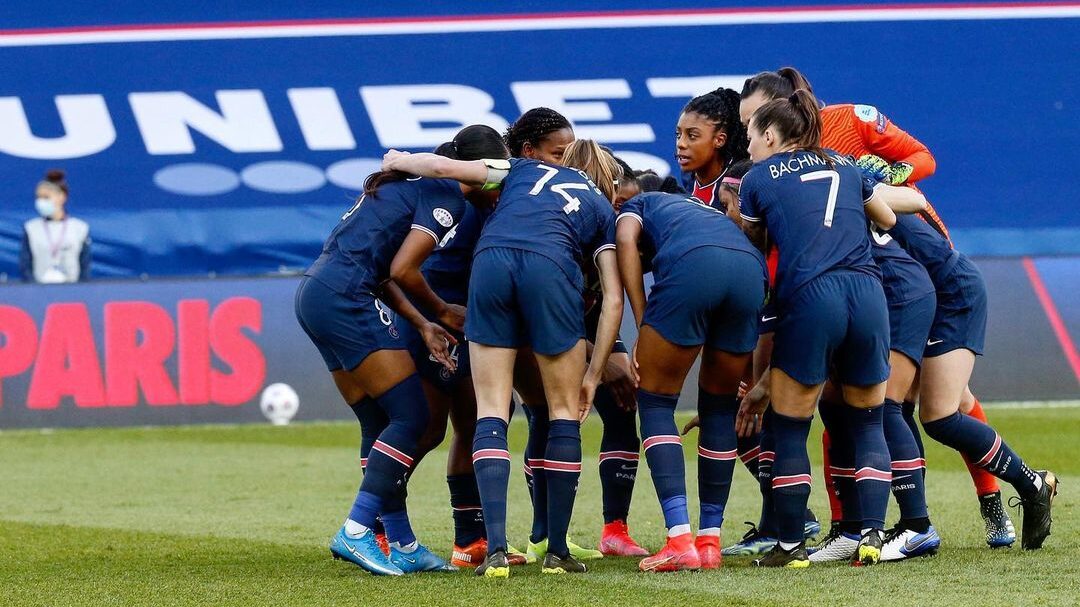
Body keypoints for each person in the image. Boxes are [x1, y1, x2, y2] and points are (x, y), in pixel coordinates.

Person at [738, 66, 1017, 549]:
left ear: (780, 117)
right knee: (859, 411)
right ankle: (856, 530)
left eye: (753, 124)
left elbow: (919, 165)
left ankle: (973, 510)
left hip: (925, 279)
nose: (748, 137)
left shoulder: (845, 129)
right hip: (874, 288)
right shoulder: (816, 170)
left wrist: (879, 179)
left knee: (932, 409)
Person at [381, 138, 624, 577]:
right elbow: (612, 300)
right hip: (551, 267)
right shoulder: (602, 209)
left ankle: (493, 550)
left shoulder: (520, 169)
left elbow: (441, 168)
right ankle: (556, 553)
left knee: (491, 411)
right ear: (605, 177)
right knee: (563, 412)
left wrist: (399, 160)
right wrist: (592, 372)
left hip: (490, 263)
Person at [295, 127, 503, 576]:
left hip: (316, 293)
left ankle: (403, 543)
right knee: (411, 417)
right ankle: (356, 530)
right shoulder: (448, 195)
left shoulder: (410, 187)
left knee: (378, 419)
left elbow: (386, 272)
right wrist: (444, 311)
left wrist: (422, 323)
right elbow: (403, 270)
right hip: (347, 298)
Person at [735, 89, 922, 568]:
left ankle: (791, 544)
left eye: (752, 136)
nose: (749, 145)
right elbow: (885, 216)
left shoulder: (756, 179)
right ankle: (872, 537)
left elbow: (755, 238)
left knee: (792, 424)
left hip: (811, 295)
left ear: (772, 136)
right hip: (867, 294)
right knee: (867, 420)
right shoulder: (844, 163)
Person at [504, 110, 647, 561]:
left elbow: (609, 299)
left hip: (586, 320)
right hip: (537, 317)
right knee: (544, 414)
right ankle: (544, 533)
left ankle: (615, 529)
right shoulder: (545, 208)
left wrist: (610, 355)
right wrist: (595, 357)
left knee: (623, 400)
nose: (617, 206)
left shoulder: (606, 216)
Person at [383, 130, 527, 569]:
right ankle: (374, 528)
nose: (497, 185)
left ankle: (470, 541)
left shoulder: (476, 205)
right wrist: (439, 315)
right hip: (434, 325)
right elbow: (401, 270)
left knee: (475, 420)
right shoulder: (455, 205)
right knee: (423, 431)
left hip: (466, 324)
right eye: (491, 176)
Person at [887, 212, 1058, 550]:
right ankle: (914, 522)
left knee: (939, 416)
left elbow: (921, 162)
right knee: (906, 406)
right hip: (916, 296)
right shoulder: (849, 184)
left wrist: (888, 180)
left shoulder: (864, 181)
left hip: (946, 294)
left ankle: (1023, 487)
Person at [616, 189, 766, 571]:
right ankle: (710, 542)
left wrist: (642, 316)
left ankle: (680, 538)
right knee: (718, 407)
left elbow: (625, 241)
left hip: (694, 267)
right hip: (751, 270)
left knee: (654, 400)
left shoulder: (638, 204)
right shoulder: (701, 209)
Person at [675, 88, 749, 208]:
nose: (680, 144)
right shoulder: (688, 178)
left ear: (719, 140)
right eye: (678, 135)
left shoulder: (738, 188)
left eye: (692, 136)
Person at [20, 169, 90, 283]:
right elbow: (25, 266)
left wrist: (81, 290)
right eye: (38, 197)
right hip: (39, 293)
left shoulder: (80, 228)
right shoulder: (31, 228)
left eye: (46, 197)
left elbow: (85, 265)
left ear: (61, 197)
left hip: (74, 293)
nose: (40, 202)